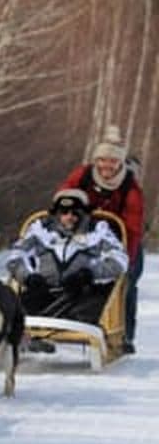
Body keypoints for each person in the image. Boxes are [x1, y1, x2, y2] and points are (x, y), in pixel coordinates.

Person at [57, 125, 145, 353]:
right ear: (96, 161)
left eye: (113, 162)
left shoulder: (130, 188)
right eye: (102, 161)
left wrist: (128, 258)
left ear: (120, 164)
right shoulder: (83, 175)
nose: (107, 166)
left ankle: (124, 335)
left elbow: (134, 228)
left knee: (127, 282)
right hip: (86, 234)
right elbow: (62, 198)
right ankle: (56, 319)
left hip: (122, 238)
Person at [7, 188, 128, 328]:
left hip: (82, 294)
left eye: (75, 213)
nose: (69, 217)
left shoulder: (98, 232)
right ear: (56, 213)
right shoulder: (40, 230)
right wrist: (28, 277)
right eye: (64, 212)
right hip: (44, 291)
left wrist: (89, 274)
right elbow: (15, 257)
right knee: (19, 304)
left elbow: (119, 260)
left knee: (95, 300)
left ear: (83, 213)